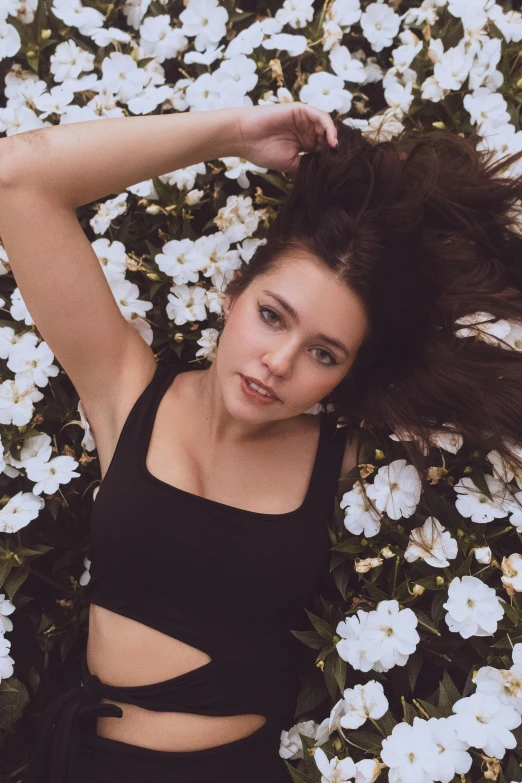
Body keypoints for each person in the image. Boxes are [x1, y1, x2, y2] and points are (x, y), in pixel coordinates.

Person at [1, 102, 522, 782]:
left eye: (324, 353)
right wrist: (228, 134)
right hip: (76, 764)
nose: (278, 360)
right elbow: (15, 178)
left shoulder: (350, 463)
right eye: (272, 316)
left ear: (347, 374)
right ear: (233, 292)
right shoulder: (126, 394)